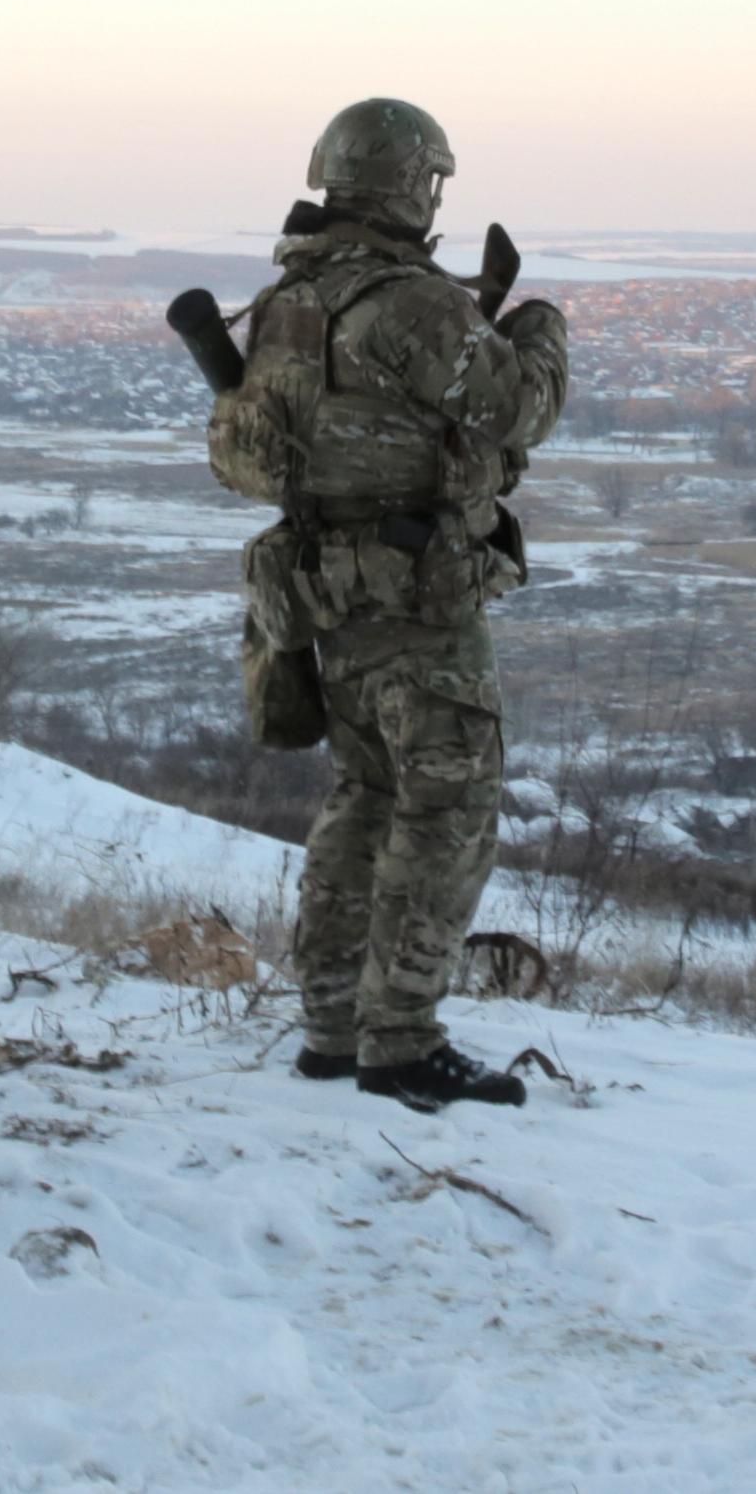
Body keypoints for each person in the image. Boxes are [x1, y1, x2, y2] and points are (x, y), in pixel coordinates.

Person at [216, 96, 568, 1110]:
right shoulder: (409, 303)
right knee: (447, 812)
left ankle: (332, 1027)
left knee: (364, 801)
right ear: (412, 183)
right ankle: (400, 1040)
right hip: (417, 606)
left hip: (329, 601)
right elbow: (518, 407)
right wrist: (539, 327)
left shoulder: (293, 298)